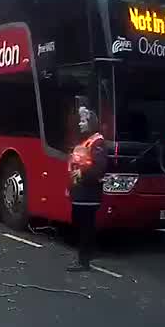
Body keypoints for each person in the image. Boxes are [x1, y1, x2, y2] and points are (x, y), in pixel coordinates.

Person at [66, 103, 107, 272]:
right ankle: (86, 256)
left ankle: (84, 261)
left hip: (88, 194)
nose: (80, 124)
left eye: (83, 121)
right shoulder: (87, 141)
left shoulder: (97, 143)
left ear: (91, 123)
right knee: (82, 225)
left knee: (85, 226)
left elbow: (99, 167)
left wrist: (81, 175)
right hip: (81, 193)